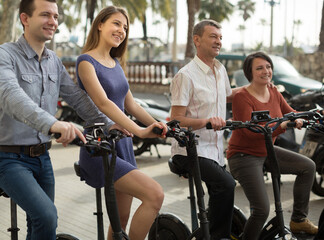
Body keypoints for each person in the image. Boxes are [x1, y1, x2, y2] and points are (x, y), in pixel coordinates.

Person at [0, 1, 165, 239]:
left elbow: (78, 98)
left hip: (42, 156)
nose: (53, 22)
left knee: (43, 227)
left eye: (56, 16)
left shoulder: (53, 61)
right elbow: (11, 97)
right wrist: (54, 124)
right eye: (45, 15)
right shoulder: (6, 54)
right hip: (9, 157)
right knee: (46, 216)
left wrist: (108, 125)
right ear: (25, 18)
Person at [76, 6, 167, 240]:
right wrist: (139, 130)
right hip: (101, 146)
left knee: (121, 220)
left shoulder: (115, 63)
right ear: (100, 24)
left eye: (125, 27)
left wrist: (163, 125)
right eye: (116, 24)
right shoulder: (86, 62)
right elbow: (104, 103)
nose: (121, 30)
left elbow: (133, 105)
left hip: (123, 145)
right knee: (154, 195)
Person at [226, 51, 318, 239]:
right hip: (243, 156)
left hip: (266, 150)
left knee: (308, 167)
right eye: (259, 68)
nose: (266, 71)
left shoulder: (274, 91)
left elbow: (289, 112)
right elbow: (249, 132)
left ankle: (299, 220)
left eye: (268, 67)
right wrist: (281, 126)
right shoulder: (242, 97)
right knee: (261, 209)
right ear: (249, 73)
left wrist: (303, 117)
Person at [170, 19, 238, 240]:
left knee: (222, 193)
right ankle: (215, 238)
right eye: (213, 36)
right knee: (226, 185)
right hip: (189, 151)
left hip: (215, 151)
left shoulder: (220, 70)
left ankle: (207, 235)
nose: (218, 41)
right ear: (197, 40)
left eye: (220, 37)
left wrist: (259, 85)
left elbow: (228, 96)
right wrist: (207, 121)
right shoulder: (186, 75)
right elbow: (176, 120)